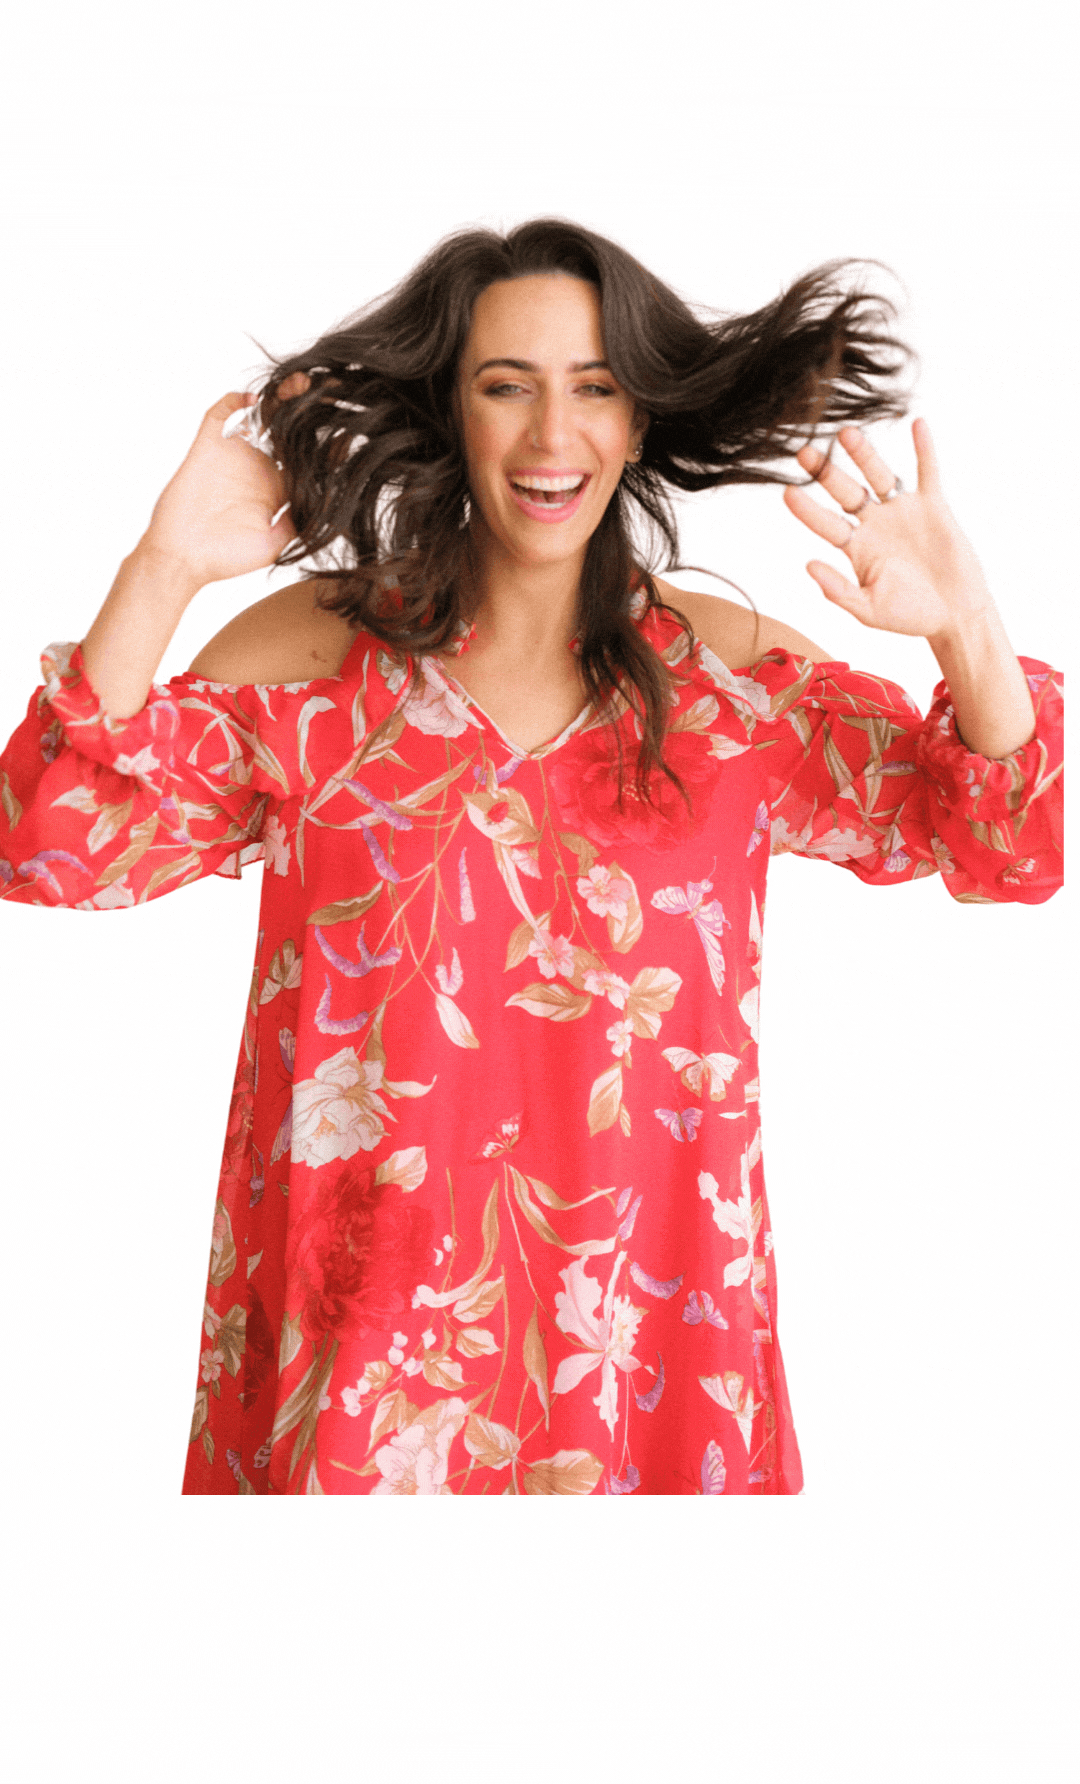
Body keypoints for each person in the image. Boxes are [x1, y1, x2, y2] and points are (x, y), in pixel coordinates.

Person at [0, 220, 1063, 1496]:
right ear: (454, 409)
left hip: (652, 1365)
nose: (552, 436)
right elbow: (51, 839)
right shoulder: (323, 667)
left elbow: (1011, 840)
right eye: (508, 386)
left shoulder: (725, 685)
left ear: (636, 419)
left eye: (594, 388)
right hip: (361, 1385)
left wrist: (969, 626)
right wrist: (165, 567)